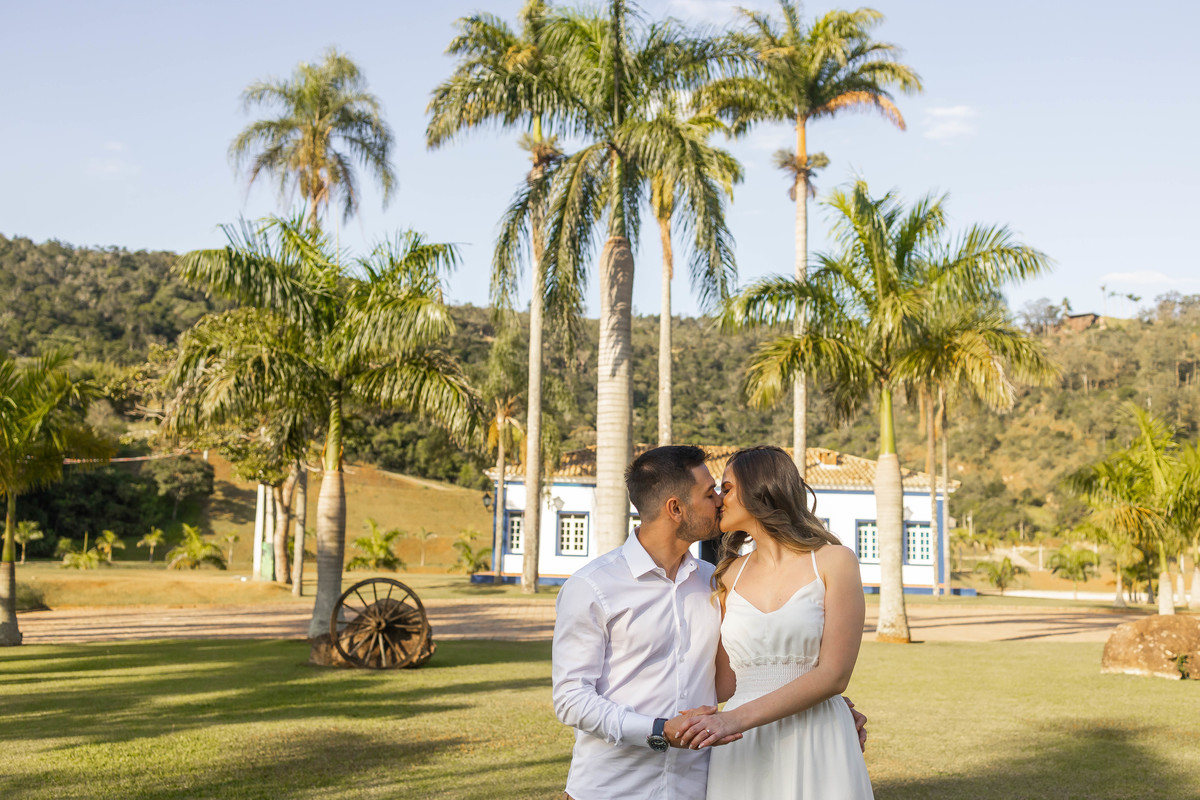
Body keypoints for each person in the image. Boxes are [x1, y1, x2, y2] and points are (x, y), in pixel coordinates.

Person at [551, 445, 865, 800]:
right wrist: (657, 730)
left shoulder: (713, 580)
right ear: (675, 508)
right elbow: (570, 698)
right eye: (711, 492)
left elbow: (728, 681)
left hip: (694, 782)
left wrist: (823, 707)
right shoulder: (593, 587)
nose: (718, 500)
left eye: (723, 490)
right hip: (613, 786)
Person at [678, 445, 873, 799]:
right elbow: (723, 683)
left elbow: (834, 675)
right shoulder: (727, 577)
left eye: (727, 487)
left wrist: (732, 719)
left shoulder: (834, 562)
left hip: (816, 735)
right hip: (742, 745)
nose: (718, 498)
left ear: (760, 490)